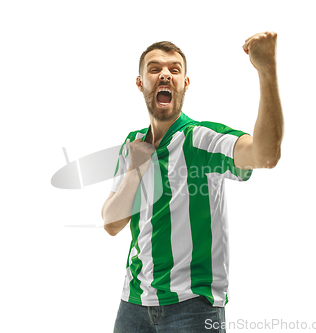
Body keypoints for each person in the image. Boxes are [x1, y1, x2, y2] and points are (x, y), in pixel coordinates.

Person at [101, 32, 284, 333]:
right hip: (133, 304)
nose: (165, 74)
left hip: (192, 307)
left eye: (175, 69)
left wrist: (266, 70)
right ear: (140, 83)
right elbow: (111, 222)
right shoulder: (132, 144)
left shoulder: (200, 139)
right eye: (155, 68)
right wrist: (135, 169)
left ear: (185, 84)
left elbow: (265, 155)